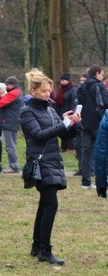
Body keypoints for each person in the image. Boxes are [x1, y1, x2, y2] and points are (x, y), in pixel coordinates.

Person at [20, 68, 81, 265]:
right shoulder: (26, 112)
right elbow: (38, 134)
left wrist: (74, 125)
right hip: (40, 162)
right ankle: (45, 250)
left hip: (53, 161)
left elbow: (63, 135)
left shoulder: (50, 109)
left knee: (45, 205)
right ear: (34, 91)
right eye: (45, 91)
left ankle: (37, 247)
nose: (48, 94)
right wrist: (62, 124)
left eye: (49, 91)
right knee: (51, 204)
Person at [77, 65, 108, 189]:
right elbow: (105, 102)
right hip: (98, 122)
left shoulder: (82, 86)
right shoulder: (99, 86)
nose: (103, 75)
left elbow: (79, 102)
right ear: (97, 73)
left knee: (86, 152)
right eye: (102, 73)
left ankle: (86, 182)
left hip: (85, 123)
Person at [55, 73, 78, 152]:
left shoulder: (73, 90)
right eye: (61, 80)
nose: (62, 82)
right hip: (61, 112)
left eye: (64, 80)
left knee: (69, 129)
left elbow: (74, 102)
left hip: (69, 112)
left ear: (68, 80)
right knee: (63, 129)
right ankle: (64, 147)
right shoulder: (61, 90)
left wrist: (72, 112)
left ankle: (71, 147)